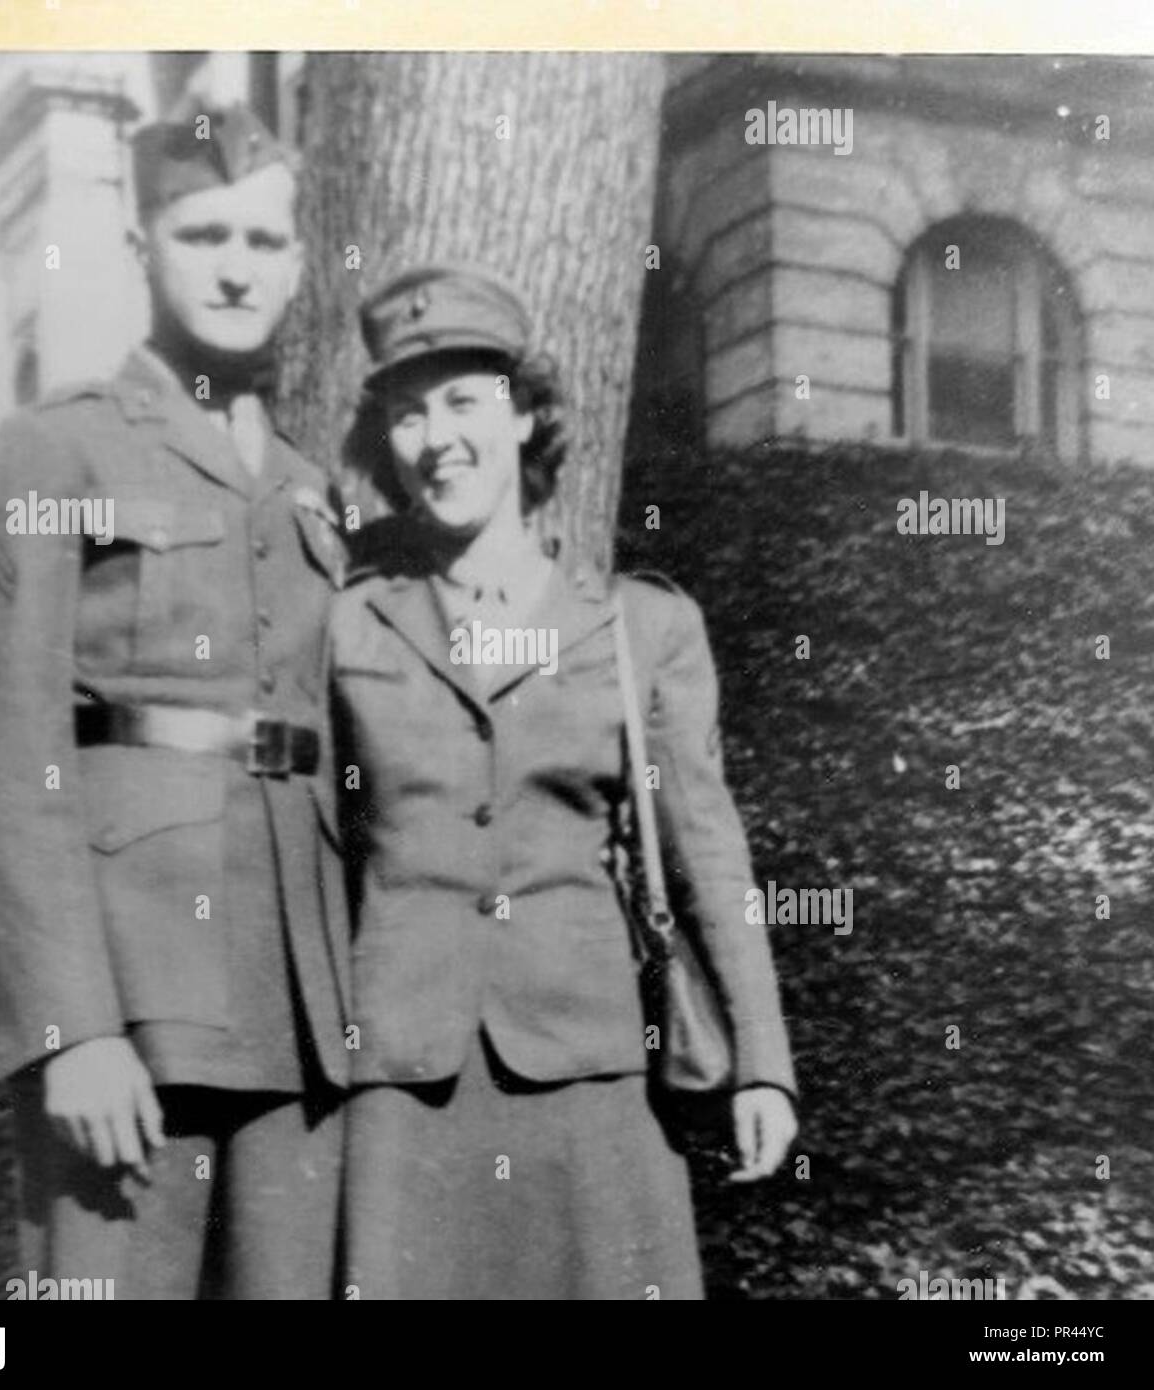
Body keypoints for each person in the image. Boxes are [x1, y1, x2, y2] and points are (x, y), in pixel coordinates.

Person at [0, 104, 350, 1299]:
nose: (234, 266)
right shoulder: (55, 452)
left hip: (299, 1007)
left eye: (264, 242)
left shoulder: (314, 489)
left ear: (298, 260)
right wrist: (69, 1028)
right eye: (201, 232)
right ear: (140, 250)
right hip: (133, 998)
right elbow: (1, 760)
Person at [327, 264, 800, 1300]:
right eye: (407, 415)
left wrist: (761, 1058)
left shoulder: (639, 625)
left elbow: (707, 852)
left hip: (590, 1070)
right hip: (401, 1070)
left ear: (526, 414)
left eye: (463, 401)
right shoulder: (349, 619)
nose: (436, 437)